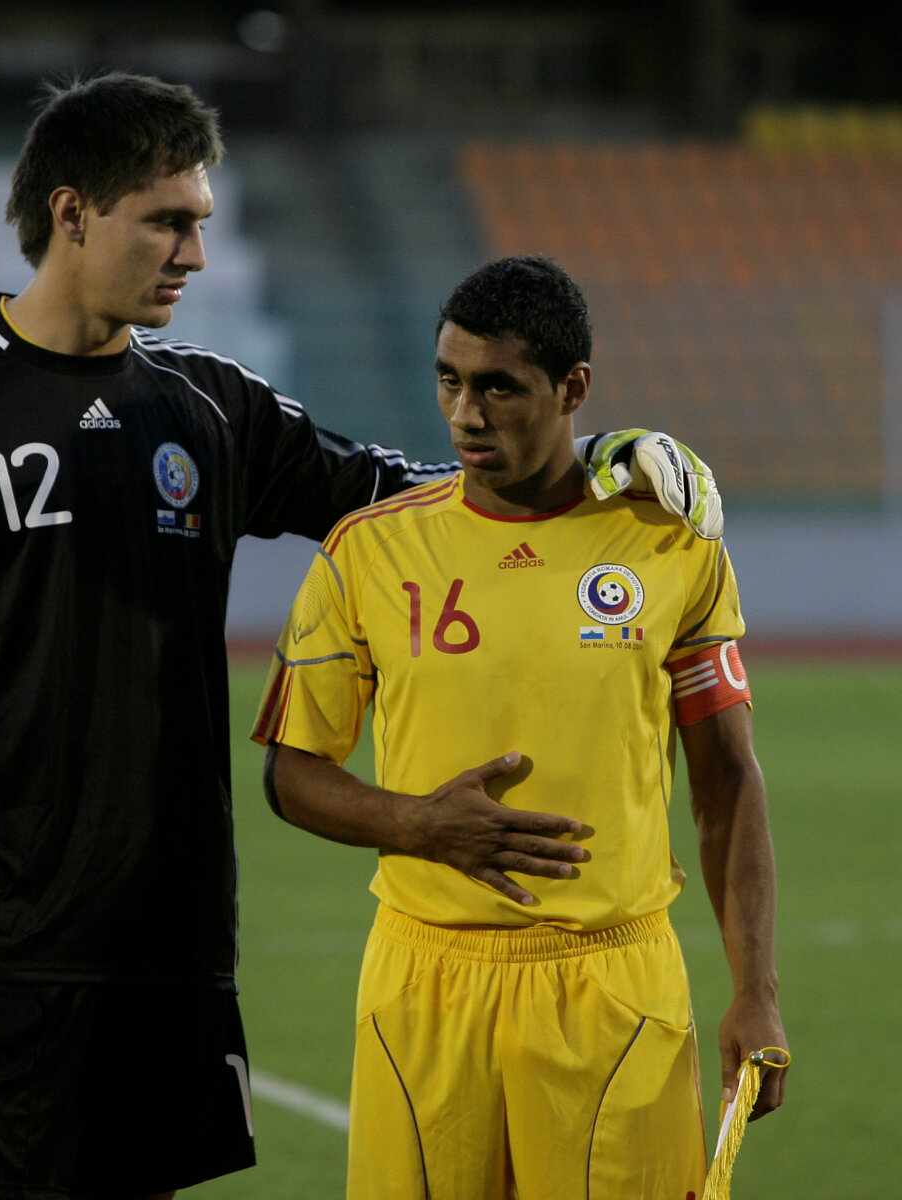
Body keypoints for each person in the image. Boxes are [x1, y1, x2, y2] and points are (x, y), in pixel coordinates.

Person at [0, 71, 723, 1200]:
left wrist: (599, 464)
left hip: (170, 947)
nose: (196, 255)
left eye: (202, 225)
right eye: (169, 221)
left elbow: (411, 496)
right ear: (73, 213)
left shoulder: (209, 404)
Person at [254, 256, 787, 1200]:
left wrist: (758, 991)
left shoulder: (671, 539)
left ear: (573, 387)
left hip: (612, 981)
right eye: (450, 381)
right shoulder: (367, 550)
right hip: (423, 980)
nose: (466, 413)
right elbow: (291, 774)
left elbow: (728, 781)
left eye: (500, 386)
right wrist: (418, 826)